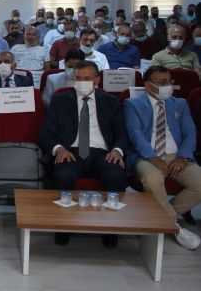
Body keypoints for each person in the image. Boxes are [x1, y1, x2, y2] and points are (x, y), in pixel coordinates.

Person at [39, 61, 128, 247]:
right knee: (63, 175)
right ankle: (63, 227)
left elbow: (122, 133)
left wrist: (117, 150)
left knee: (115, 175)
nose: (82, 83)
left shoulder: (110, 101)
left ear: (97, 80)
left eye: (87, 79)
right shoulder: (60, 100)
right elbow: (45, 132)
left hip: (103, 153)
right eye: (78, 79)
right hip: (70, 152)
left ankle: (111, 229)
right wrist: (58, 148)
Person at [124, 66, 201, 250]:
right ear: (148, 85)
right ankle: (174, 226)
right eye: (162, 82)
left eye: (169, 82)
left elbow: (190, 132)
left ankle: (159, 217)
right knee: (153, 178)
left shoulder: (180, 104)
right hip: (145, 155)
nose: (168, 86)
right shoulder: (133, 104)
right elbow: (135, 134)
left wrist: (183, 157)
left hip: (176, 155)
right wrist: (153, 157)